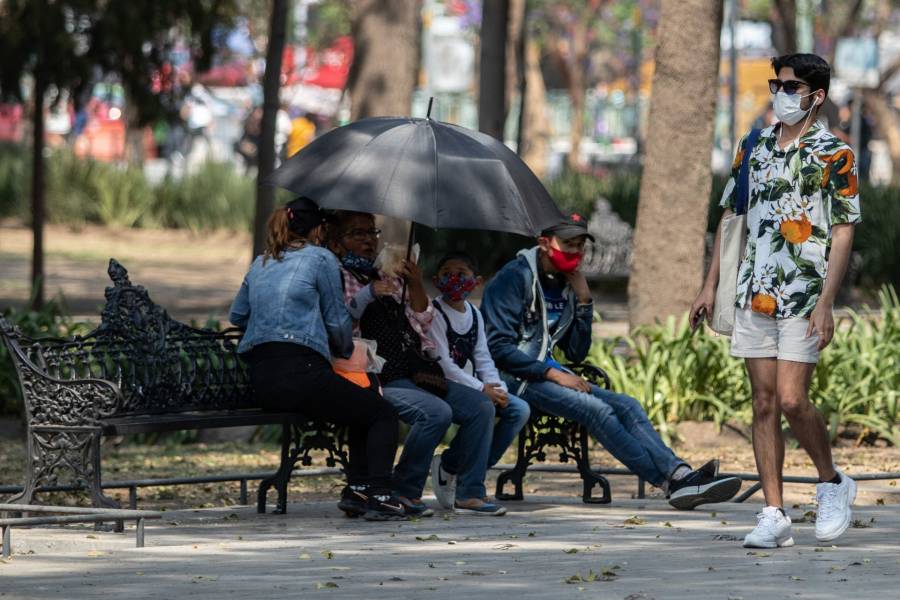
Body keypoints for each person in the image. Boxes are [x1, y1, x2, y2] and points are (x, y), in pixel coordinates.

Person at [691, 54, 861, 549]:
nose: (781, 93)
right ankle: (774, 512)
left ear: (816, 96)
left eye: (791, 86)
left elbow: (845, 230)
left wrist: (827, 301)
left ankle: (832, 483)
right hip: (753, 290)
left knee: (792, 400)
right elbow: (731, 217)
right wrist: (709, 285)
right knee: (763, 402)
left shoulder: (837, 154)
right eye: (777, 84)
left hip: (805, 293)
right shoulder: (755, 145)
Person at [481, 213, 742, 510]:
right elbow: (498, 348)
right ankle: (672, 484)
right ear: (544, 243)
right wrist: (551, 374)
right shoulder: (514, 278)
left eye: (580, 245)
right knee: (597, 410)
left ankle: (680, 474)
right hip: (513, 378)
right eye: (568, 244)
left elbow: (576, 353)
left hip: (545, 375)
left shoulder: (564, 283)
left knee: (628, 405)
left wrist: (584, 302)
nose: (575, 252)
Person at [229, 197, 407, 522]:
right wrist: (341, 349)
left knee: (361, 407)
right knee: (382, 412)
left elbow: (238, 314)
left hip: (261, 377)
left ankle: (358, 490)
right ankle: (380, 494)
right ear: (318, 230)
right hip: (301, 373)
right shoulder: (321, 258)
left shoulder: (261, 262)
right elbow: (338, 320)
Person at [328, 211, 507, 516]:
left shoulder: (387, 274)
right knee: (436, 413)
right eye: (357, 234)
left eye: (371, 233)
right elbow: (340, 326)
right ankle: (404, 490)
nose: (368, 240)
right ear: (337, 242)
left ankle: (470, 492)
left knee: (480, 407)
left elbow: (422, 320)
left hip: (416, 370)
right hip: (374, 376)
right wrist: (368, 295)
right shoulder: (337, 274)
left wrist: (414, 282)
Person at [426, 251, 531, 475]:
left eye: (461, 274)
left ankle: (461, 466)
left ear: (477, 281)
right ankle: (468, 476)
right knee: (483, 409)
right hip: (442, 384)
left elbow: (483, 357)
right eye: (447, 274)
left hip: (472, 385)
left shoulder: (475, 313)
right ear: (436, 280)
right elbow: (443, 364)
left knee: (519, 409)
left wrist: (497, 388)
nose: (454, 279)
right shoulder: (433, 313)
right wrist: (482, 389)